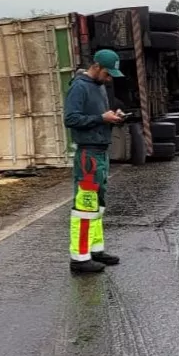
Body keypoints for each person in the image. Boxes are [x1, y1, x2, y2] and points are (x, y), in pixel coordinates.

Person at [63, 49, 124, 274]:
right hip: (88, 153)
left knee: (97, 204)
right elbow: (70, 118)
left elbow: (99, 115)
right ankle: (79, 258)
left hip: (100, 150)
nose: (109, 79)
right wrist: (101, 118)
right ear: (97, 67)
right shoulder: (79, 87)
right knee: (85, 206)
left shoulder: (98, 87)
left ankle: (95, 249)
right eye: (108, 74)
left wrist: (111, 116)